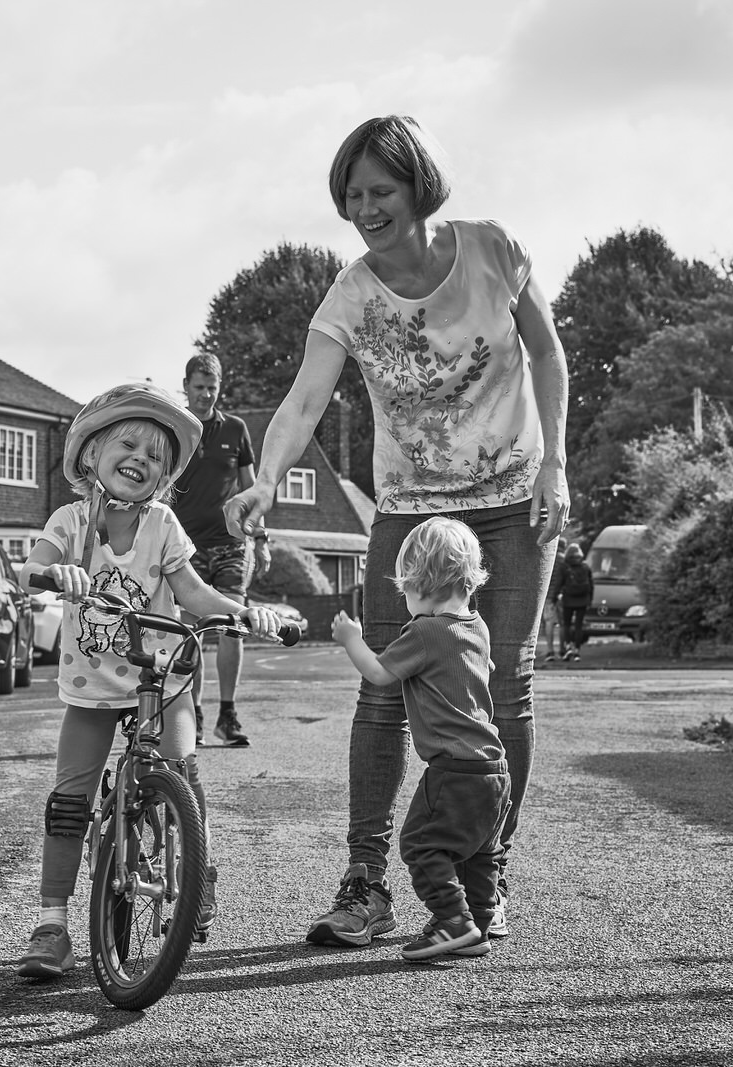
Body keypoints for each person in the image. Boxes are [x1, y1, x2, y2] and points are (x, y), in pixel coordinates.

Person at [224, 115, 569, 949]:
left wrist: (557, 463)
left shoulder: (494, 252)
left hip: (514, 499)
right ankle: (366, 885)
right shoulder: (350, 295)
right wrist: (265, 480)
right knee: (382, 690)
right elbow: (303, 399)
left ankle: (486, 877)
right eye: (350, 196)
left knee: (506, 686)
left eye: (379, 190)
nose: (364, 208)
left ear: (419, 185)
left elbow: (551, 359)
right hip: (411, 511)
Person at [15, 381, 284, 979]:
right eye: (128, 445)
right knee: (68, 802)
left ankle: (193, 871)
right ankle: (52, 924)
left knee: (181, 773)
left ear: (163, 478)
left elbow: (192, 592)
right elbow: (32, 568)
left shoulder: (163, 525)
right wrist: (52, 573)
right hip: (91, 688)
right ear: (92, 456)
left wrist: (243, 613)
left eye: (156, 456)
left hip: (162, 679)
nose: (141, 458)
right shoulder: (71, 520)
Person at [329, 517, 508, 960]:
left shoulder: (425, 631)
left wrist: (352, 639)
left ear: (424, 585)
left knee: (421, 844)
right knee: (480, 851)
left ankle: (452, 921)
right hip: (495, 769)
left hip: (453, 767)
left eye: (406, 589)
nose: (404, 598)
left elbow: (379, 675)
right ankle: (479, 920)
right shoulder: (478, 629)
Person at [170, 354, 272, 747]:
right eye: (199, 387)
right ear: (186, 386)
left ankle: (226, 716)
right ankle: (191, 714)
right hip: (184, 547)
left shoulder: (236, 429)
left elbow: (252, 491)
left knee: (233, 625)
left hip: (231, 543)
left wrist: (260, 539)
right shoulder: (175, 428)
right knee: (191, 633)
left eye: (212, 387)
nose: (206, 395)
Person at [554, 542, 592, 662]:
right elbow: (591, 585)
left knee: (566, 624)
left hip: (568, 599)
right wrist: (590, 599)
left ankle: (568, 647)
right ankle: (577, 651)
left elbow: (559, 583)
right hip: (582, 599)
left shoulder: (565, 567)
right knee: (578, 626)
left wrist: (554, 597)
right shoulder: (585, 567)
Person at [540, 537, 569, 663]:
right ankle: (562, 650)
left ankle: (550, 651)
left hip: (548, 596)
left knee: (549, 623)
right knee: (563, 624)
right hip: (562, 596)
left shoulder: (548, 558)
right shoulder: (565, 561)